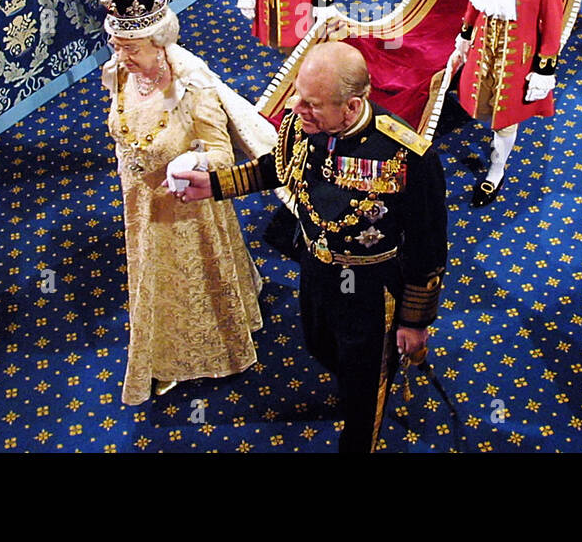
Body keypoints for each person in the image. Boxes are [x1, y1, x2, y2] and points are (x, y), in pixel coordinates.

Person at [174, 40, 448, 453]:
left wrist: (414, 322)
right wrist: (214, 186)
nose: (297, 108)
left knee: (363, 386)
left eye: (313, 103)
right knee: (320, 344)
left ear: (352, 107)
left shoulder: (406, 156)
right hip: (316, 272)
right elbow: (278, 168)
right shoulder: (303, 124)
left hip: (372, 292)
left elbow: (428, 249)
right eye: (299, 95)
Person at [100, 0, 267, 403]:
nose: (121, 56)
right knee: (152, 283)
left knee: (192, 285)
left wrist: (191, 159)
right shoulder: (117, 74)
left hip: (189, 208)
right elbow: (126, 136)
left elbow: (222, 156)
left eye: (131, 47)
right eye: (116, 45)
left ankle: (204, 352)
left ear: (160, 43)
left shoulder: (191, 85)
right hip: (139, 204)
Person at [446, 0, 562, 207]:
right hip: (484, 51)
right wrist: (465, 33)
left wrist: (544, 69)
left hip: (518, 61)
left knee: (506, 121)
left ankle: (496, 172)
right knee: (476, 100)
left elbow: (552, 25)